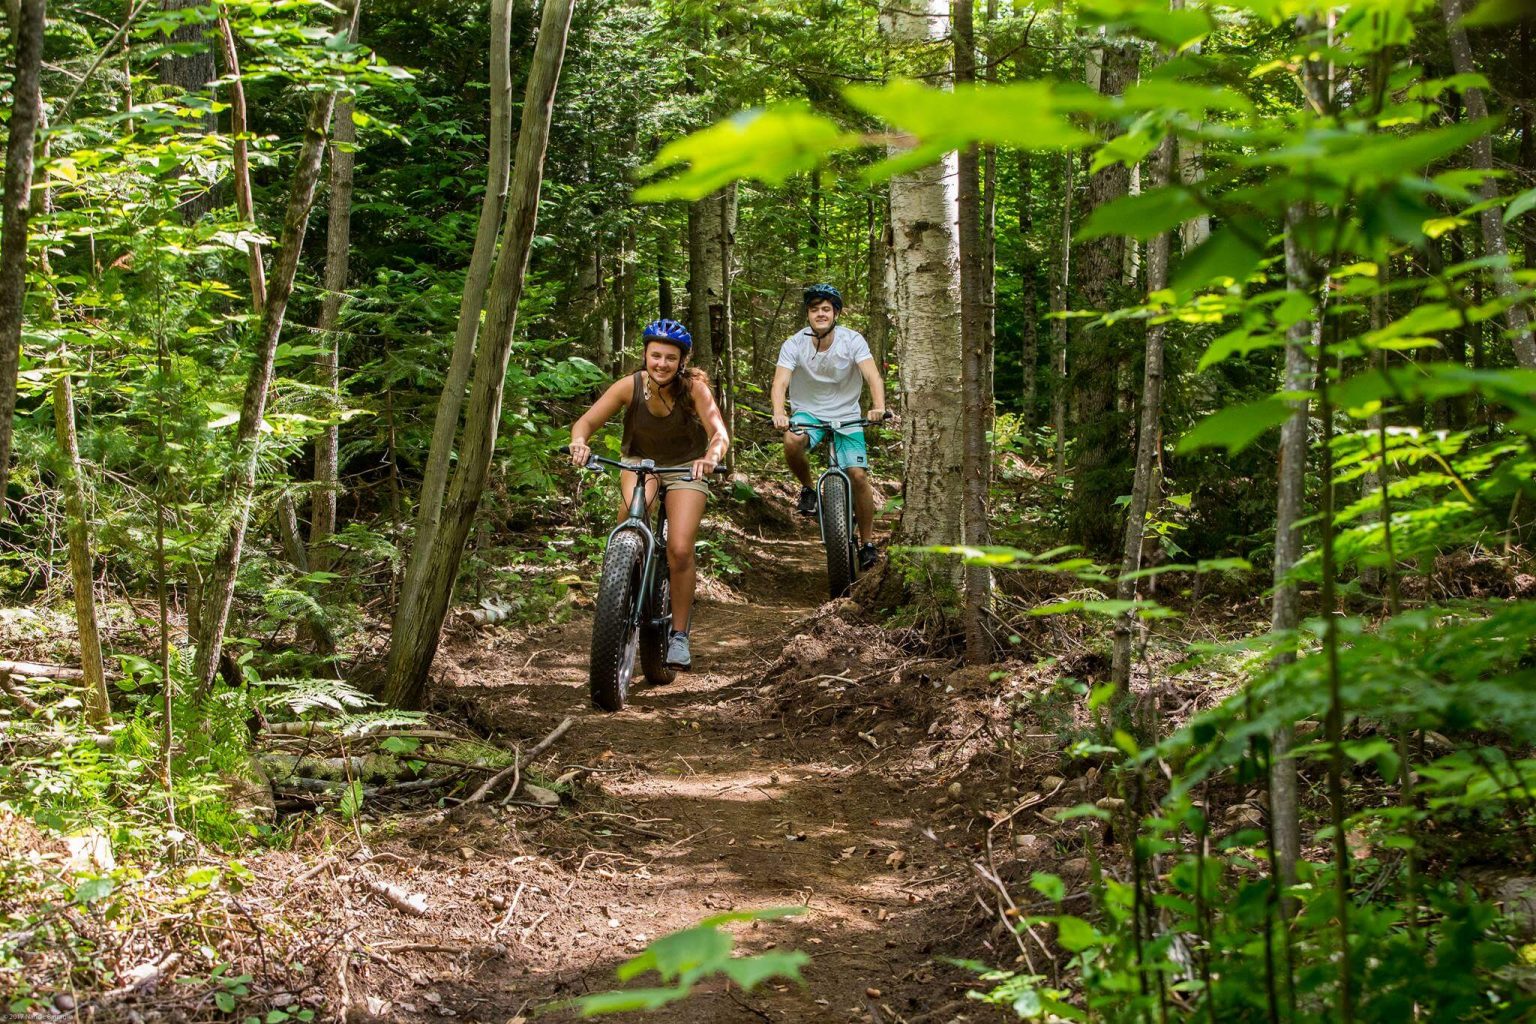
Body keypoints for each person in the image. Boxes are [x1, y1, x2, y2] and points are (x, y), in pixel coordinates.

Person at [568, 319, 729, 670]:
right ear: (645, 355)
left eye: (670, 358)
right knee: (629, 524)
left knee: (681, 548)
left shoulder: (695, 389)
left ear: (681, 361)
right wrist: (579, 442)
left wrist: (710, 458)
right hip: (641, 464)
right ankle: (622, 584)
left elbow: (719, 434)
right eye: (655, 356)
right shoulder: (629, 386)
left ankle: (680, 636)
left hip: (688, 467)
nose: (662, 364)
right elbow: (585, 423)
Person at [770, 283, 888, 572]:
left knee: (858, 476)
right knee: (792, 440)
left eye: (826, 309)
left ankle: (868, 543)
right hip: (809, 414)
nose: (820, 314)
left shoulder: (852, 340)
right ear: (808, 314)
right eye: (814, 309)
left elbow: (872, 375)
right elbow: (780, 382)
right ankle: (809, 488)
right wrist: (779, 412)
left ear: (836, 313)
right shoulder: (794, 344)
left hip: (847, 414)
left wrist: (878, 406)